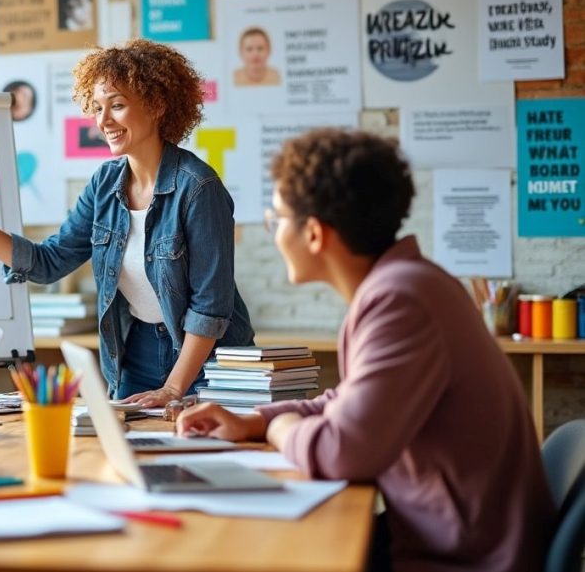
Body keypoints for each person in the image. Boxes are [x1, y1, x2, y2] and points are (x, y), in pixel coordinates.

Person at [175, 129, 554, 572]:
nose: (274, 232)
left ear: (314, 234)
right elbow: (348, 402)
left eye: (276, 219)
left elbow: (344, 449)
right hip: (444, 535)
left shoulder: (401, 301)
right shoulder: (408, 284)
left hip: (466, 557)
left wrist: (282, 432)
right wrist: (255, 420)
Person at [0, 38, 254, 407]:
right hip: (137, 354)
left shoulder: (198, 188)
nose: (103, 121)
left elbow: (210, 308)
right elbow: (48, 263)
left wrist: (173, 390)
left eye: (118, 105)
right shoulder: (104, 184)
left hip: (206, 361)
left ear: (157, 105)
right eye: (97, 108)